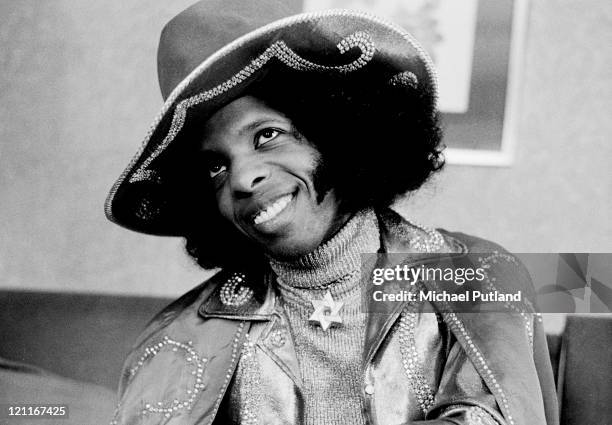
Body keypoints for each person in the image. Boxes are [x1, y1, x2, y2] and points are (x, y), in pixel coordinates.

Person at [105, 1, 558, 424]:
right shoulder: (175, 344)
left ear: (337, 134)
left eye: (266, 136)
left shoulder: (480, 276)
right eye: (215, 166)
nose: (242, 178)